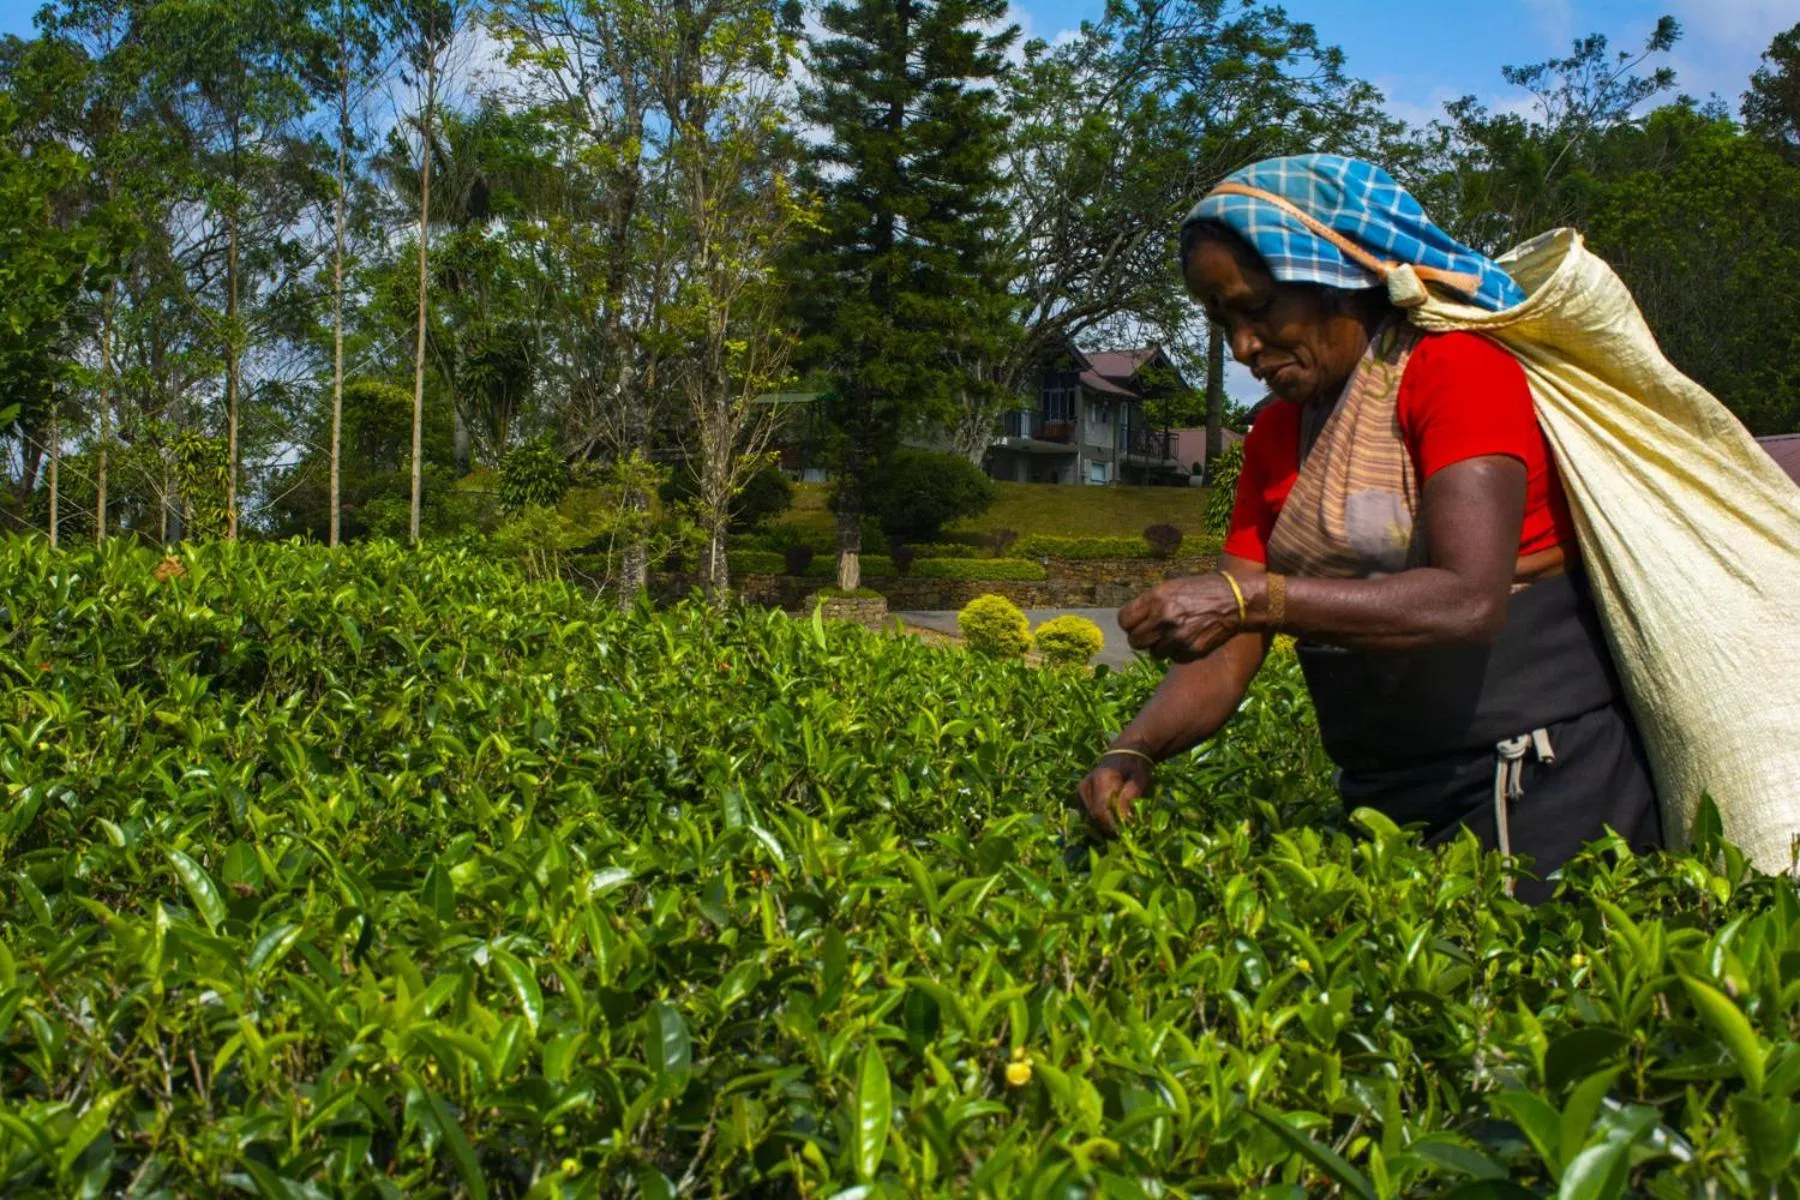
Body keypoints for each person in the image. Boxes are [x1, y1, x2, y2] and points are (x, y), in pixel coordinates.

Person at [1077, 155, 1663, 902]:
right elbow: (1236, 637)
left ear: (1335, 278)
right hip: (1385, 789)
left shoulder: (1455, 371)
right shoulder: (1276, 434)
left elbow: (1468, 600)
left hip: (1536, 777)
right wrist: (1136, 748)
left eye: (1256, 309)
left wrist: (1252, 602)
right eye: (1223, 322)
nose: (1243, 348)